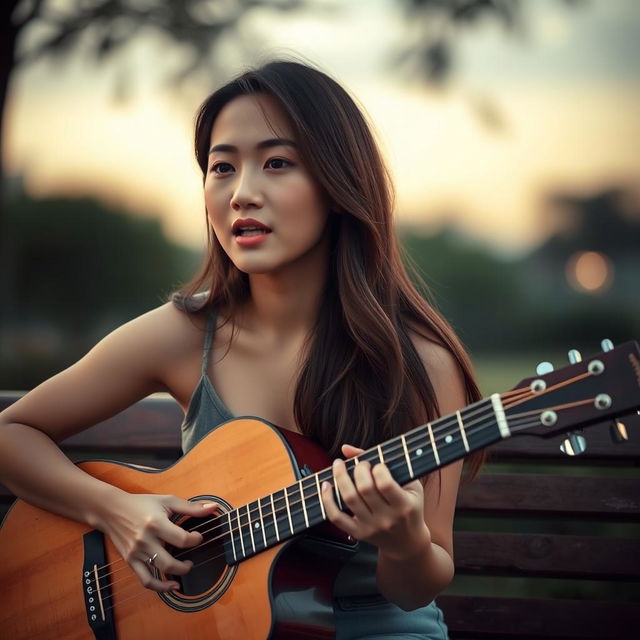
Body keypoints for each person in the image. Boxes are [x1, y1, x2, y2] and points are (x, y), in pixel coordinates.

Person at [0, 59, 483, 639]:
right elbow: (11, 433)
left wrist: (404, 544)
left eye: (277, 163)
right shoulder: (185, 333)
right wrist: (116, 512)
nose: (242, 194)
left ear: (338, 185)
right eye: (222, 167)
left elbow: (419, 585)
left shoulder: (421, 363)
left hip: (370, 622)